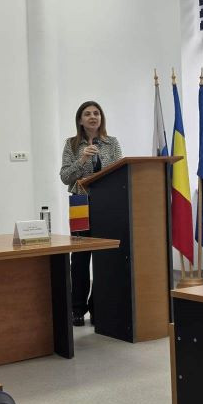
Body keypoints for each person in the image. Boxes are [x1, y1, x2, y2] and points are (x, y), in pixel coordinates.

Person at [59, 101, 123, 325]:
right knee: (79, 257)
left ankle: (98, 307)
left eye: (96, 113)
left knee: (104, 257)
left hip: (106, 205)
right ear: (80, 120)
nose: (93, 117)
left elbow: (119, 173)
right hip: (80, 204)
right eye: (87, 114)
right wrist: (82, 160)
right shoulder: (71, 144)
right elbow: (65, 177)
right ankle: (77, 309)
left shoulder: (112, 143)